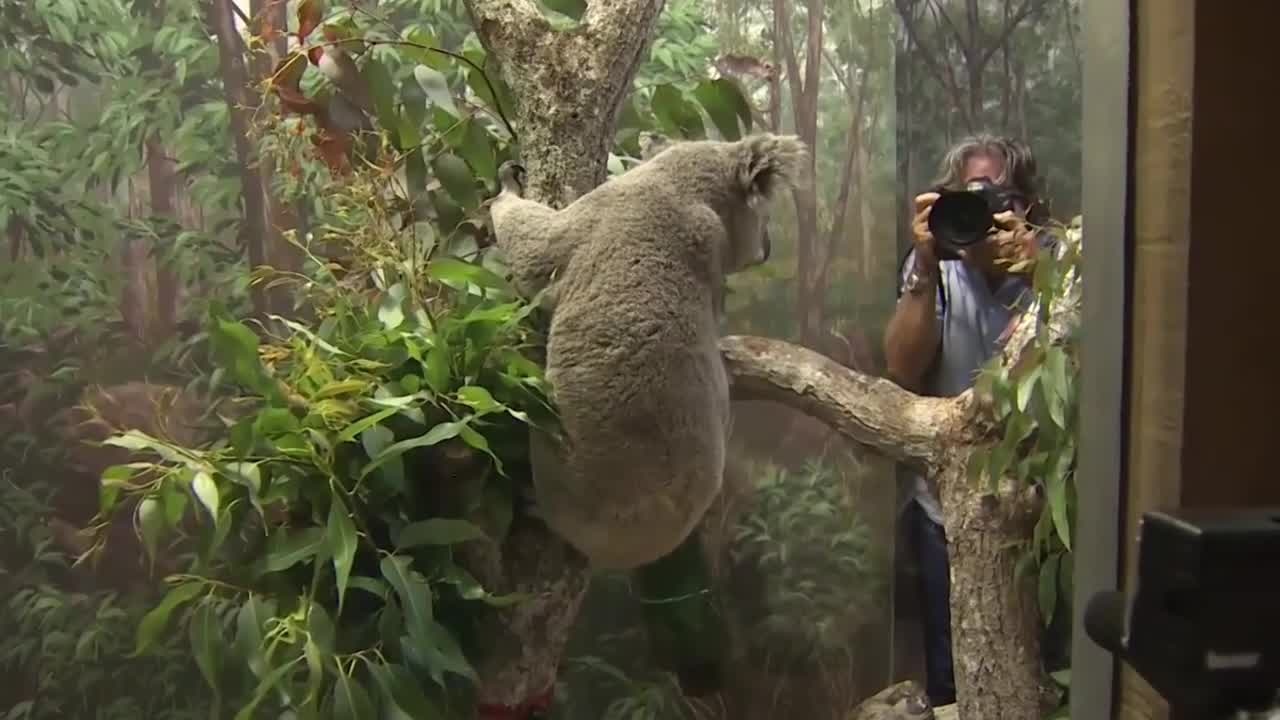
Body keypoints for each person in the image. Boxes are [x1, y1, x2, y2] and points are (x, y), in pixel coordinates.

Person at [883, 134, 1048, 707]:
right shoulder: (936, 267)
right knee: (956, 676)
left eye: (996, 194)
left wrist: (1036, 273)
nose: (982, 209)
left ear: (1025, 204)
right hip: (946, 508)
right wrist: (926, 265)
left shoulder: (1050, 263)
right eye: (969, 194)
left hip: (1040, 508)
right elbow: (902, 368)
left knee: (1043, 668)